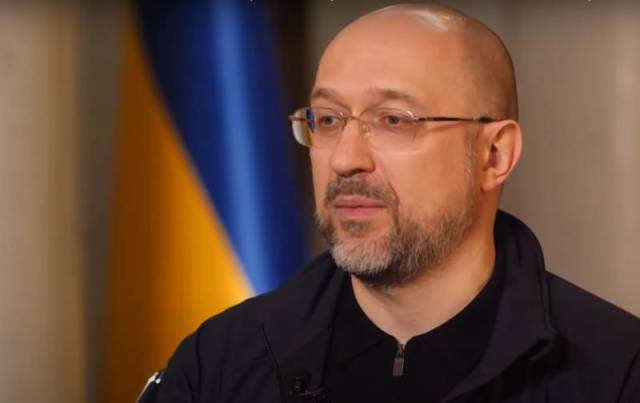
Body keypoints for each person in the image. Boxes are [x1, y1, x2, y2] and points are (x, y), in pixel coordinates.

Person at [139, 4, 640, 403]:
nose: (345, 160)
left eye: (394, 120)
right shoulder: (219, 364)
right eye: (328, 120)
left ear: (494, 155)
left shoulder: (617, 372)